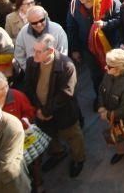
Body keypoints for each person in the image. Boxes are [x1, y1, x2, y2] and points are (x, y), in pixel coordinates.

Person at [23, 33, 85, 178]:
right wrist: (38, 109)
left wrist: (46, 111)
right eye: (34, 50)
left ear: (50, 51)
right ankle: (58, 153)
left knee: (73, 137)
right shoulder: (32, 62)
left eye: (39, 51)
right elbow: (28, 87)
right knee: (49, 136)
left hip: (63, 112)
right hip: (41, 111)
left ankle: (78, 159)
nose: (34, 54)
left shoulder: (66, 65)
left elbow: (66, 93)